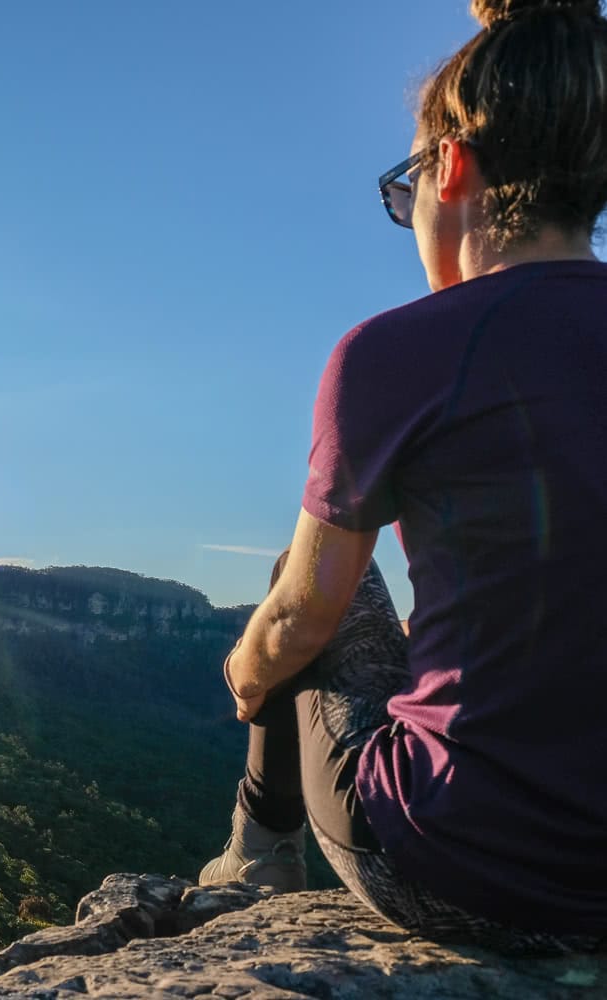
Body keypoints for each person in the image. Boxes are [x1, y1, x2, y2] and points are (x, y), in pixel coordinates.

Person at [197, 0, 607, 952]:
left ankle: (258, 850)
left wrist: (244, 671)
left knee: (288, 586)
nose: (409, 210)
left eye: (406, 185)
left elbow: (307, 618)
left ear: (451, 167)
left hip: (461, 870)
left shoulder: (394, 354)